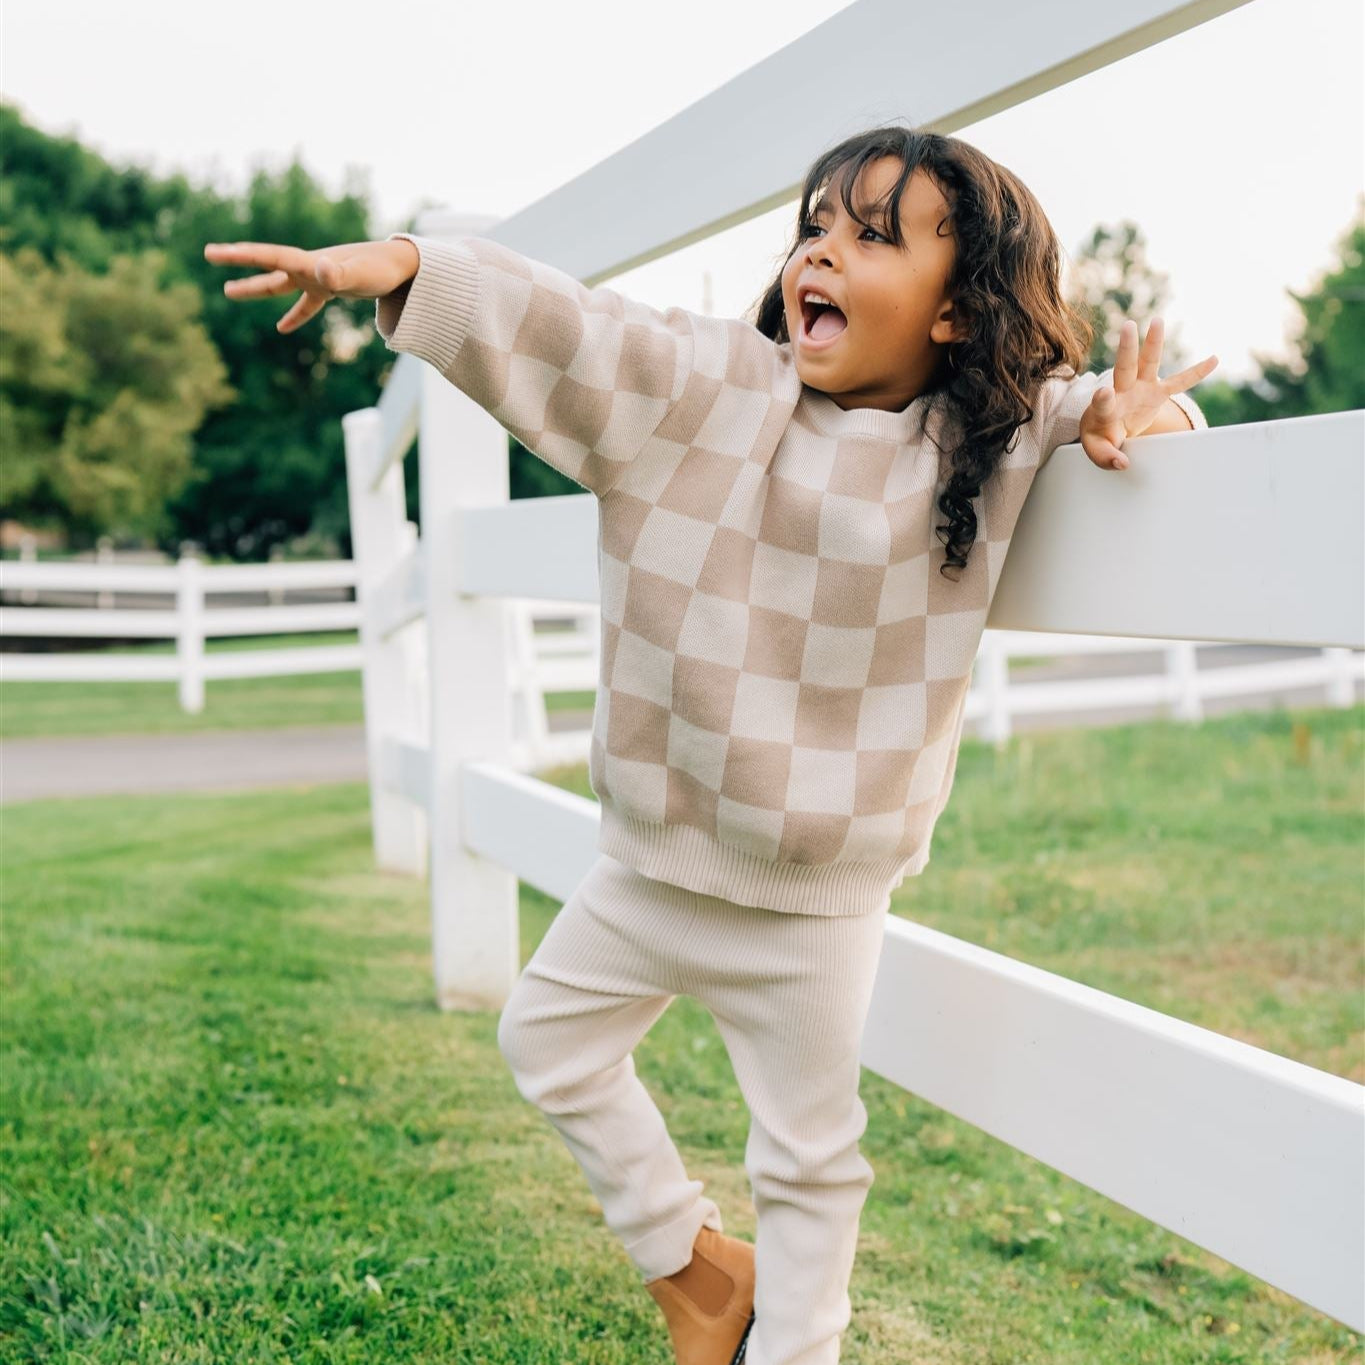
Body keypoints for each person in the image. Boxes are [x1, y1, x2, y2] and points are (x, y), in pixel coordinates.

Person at [206, 123, 1216, 1365]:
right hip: (653, 864)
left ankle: (794, 1348)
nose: (824, 253)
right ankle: (696, 1273)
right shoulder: (709, 396)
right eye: (816, 227)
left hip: (817, 907)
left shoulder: (995, 441)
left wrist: (1144, 418)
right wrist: (413, 267)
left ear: (957, 314)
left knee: (807, 1160)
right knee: (546, 1043)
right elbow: (570, 326)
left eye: (874, 237)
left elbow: (1135, 428)